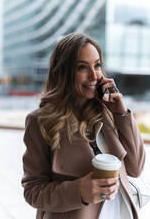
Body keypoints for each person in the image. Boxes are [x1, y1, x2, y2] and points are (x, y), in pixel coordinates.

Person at [21, 33, 145, 219]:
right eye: (82, 67)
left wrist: (121, 114)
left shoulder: (108, 111)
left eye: (97, 65)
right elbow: (32, 191)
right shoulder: (40, 121)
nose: (94, 75)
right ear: (63, 72)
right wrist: (78, 191)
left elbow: (135, 168)